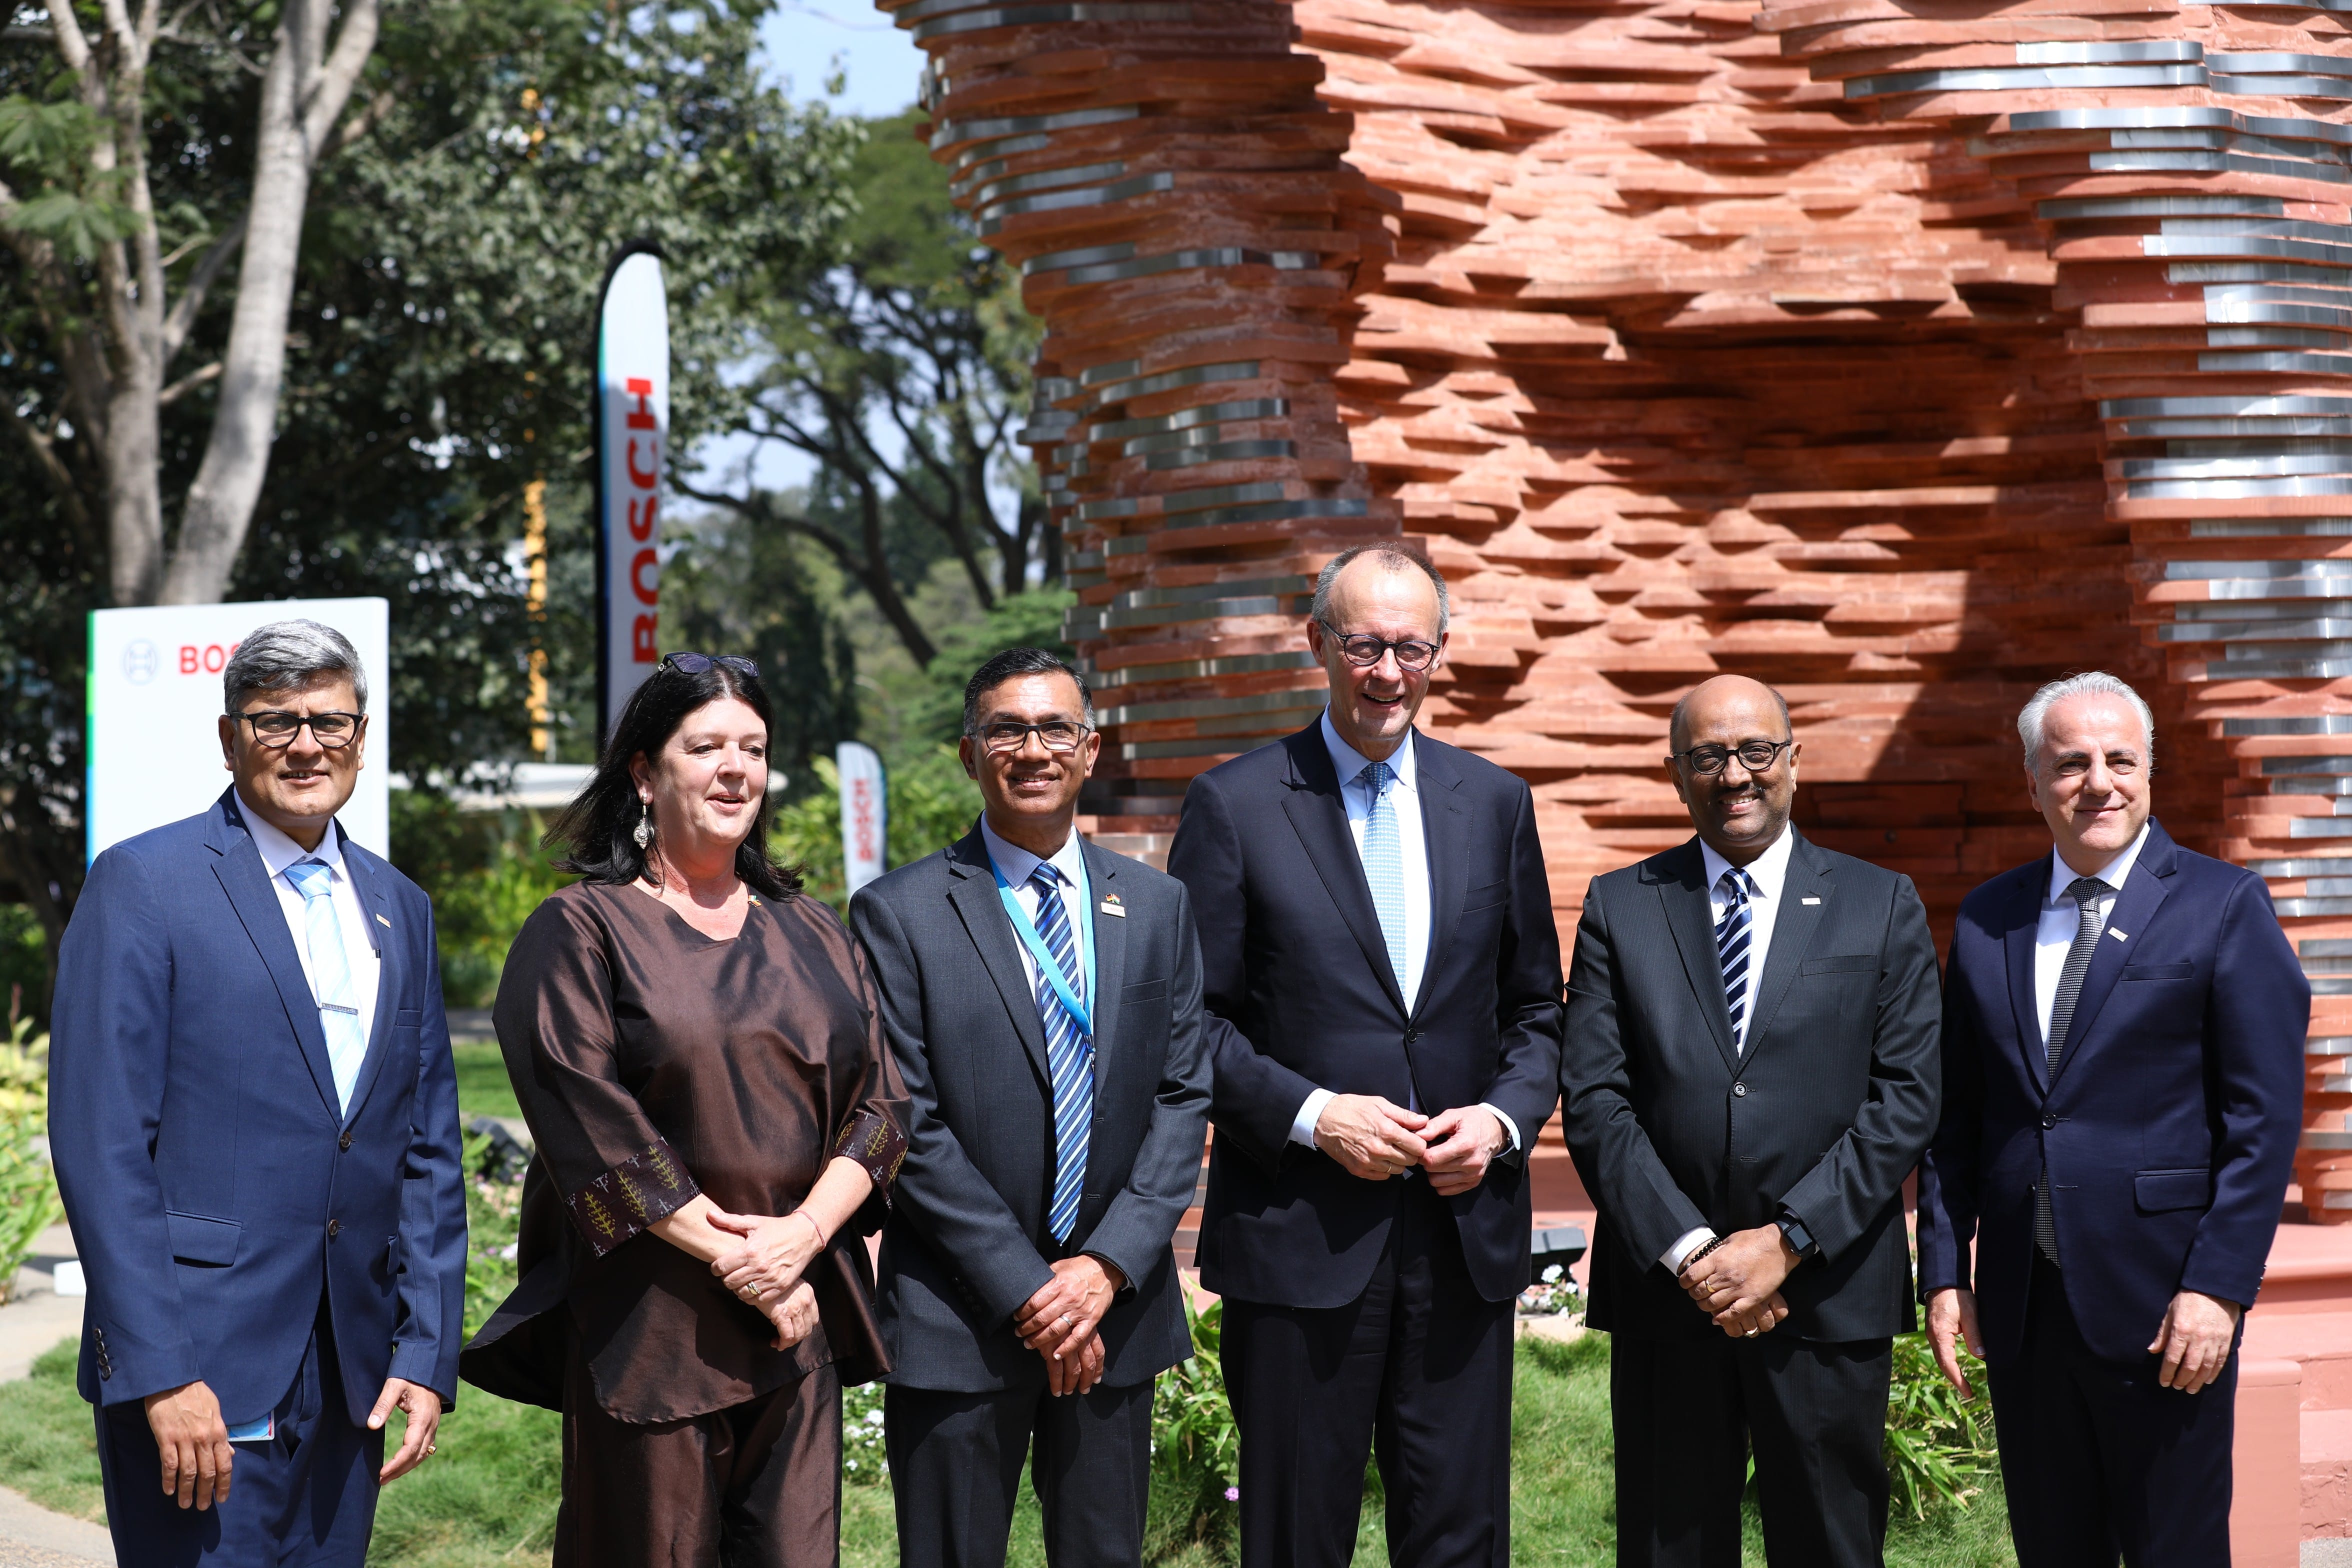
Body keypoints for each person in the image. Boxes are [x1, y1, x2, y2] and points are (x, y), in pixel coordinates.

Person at [458, 652, 908, 1568]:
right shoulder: (581, 929)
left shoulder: (816, 928)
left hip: (798, 1320)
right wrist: (753, 1265)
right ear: (644, 773)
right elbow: (590, 1127)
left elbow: (885, 1109)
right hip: (655, 1332)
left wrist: (801, 1242)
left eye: (754, 748)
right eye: (705, 747)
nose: (735, 769)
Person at [1164, 543, 1564, 1568]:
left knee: (1461, 1540)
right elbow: (1189, 1022)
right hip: (1300, 1239)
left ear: (1440, 653)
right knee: (1298, 1540)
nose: (1389, 672)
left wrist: (1503, 1121)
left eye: (1411, 647)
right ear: (1317, 643)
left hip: (1462, 1240)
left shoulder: (1496, 802)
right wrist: (1315, 1116)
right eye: (1364, 645)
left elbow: (1536, 1009)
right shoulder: (1235, 804)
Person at [48, 619, 466, 1566]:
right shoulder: (143, 885)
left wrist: (425, 1351)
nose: (307, 745)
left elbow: (428, 1148)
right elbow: (101, 1146)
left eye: (331, 721)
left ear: (362, 736)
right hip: (200, 1374)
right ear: (230, 736)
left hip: (354, 1373)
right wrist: (159, 1372)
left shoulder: (401, 907)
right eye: (277, 721)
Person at [1917, 671, 2306, 1566]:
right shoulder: (1987, 919)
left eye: (2120, 760)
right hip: (2025, 1312)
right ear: (2033, 784)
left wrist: (2219, 1287)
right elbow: (1954, 1117)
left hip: (2167, 1308)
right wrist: (1945, 1272)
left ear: (2149, 773)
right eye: (2071, 764)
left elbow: (2262, 1123)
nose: (2099, 782)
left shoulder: (2225, 904)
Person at [1558, 673, 1941, 1568]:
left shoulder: (1880, 902)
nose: (1735, 774)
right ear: (1676, 774)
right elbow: (1597, 1099)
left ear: (1794, 761)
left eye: (1756, 751)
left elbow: (1907, 1097)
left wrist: (1788, 1240)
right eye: (1707, 757)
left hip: (1825, 1291)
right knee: (1670, 1549)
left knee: (1831, 1548)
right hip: (1669, 1298)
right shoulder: (1621, 905)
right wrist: (1695, 1253)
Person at [850, 648, 1212, 1568]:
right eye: (1006, 730)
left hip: (1113, 1314)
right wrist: (1032, 1290)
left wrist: (1105, 1269)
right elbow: (908, 1118)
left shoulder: (1158, 905)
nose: (1034, 749)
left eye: (1056, 728)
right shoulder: (898, 913)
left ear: (1091, 749)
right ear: (969, 754)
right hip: (958, 1319)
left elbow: (1182, 1097)